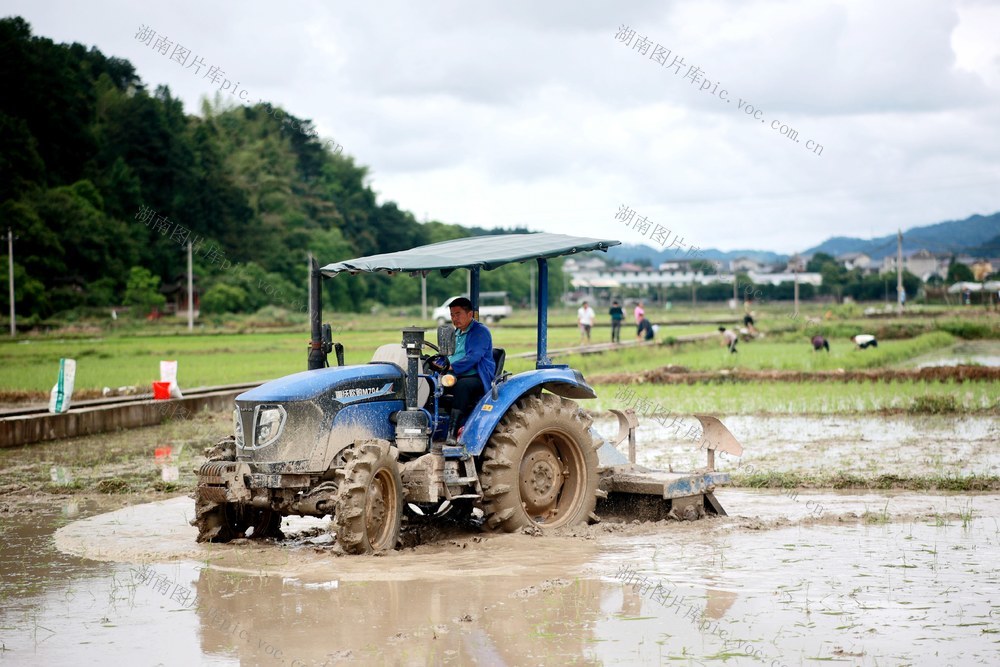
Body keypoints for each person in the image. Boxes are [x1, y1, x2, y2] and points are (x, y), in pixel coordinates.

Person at [431, 297, 496, 444]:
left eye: (458, 314)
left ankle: (453, 433)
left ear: (470, 314)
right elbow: (449, 355)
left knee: (462, 387)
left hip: (477, 375)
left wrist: (450, 367)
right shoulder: (457, 333)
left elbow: (474, 357)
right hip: (456, 374)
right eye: (452, 315)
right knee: (430, 383)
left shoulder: (480, 332)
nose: (454, 318)